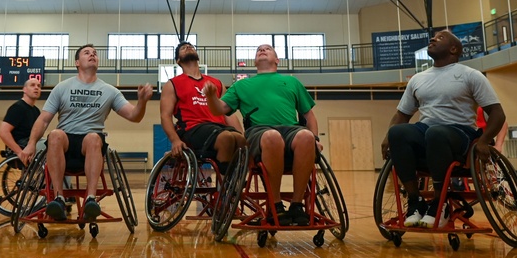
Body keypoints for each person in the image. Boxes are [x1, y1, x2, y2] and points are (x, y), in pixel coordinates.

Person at [381, 30, 504, 228]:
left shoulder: (470, 75)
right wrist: (388, 137)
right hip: (427, 132)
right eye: (433, 37)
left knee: (436, 133)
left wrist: (484, 140)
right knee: (398, 132)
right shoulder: (417, 79)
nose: (432, 39)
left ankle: (440, 202)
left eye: (440, 38)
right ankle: (415, 201)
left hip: (460, 134)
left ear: (454, 49)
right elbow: (402, 115)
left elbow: (497, 113)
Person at [22, 44, 153, 222]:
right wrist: (31, 144)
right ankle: (59, 199)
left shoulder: (109, 91)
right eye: (86, 53)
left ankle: (91, 200)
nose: (92, 55)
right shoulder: (62, 87)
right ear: (77, 62)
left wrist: (142, 102)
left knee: (93, 137)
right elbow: (43, 119)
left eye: (95, 53)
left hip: (90, 145)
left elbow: (134, 116)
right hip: (66, 143)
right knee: (55, 134)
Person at [203, 43, 321, 227]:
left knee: (307, 137)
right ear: (255, 61)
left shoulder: (292, 82)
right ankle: (276, 205)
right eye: (258, 50)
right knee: (272, 136)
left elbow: (309, 116)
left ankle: (297, 206)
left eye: (268, 49)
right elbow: (220, 109)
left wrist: (316, 139)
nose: (262, 50)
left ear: (277, 60)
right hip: (259, 131)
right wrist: (211, 97)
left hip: (291, 130)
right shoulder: (242, 85)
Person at [160, 41, 245, 169]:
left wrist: (240, 134)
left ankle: (228, 183)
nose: (188, 47)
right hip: (192, 128)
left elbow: (228, 113)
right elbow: (165, 116)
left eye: (191, 47)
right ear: (178, 60)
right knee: (226, 138)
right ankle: (225, 184)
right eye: (183, 48)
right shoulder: (172, 84)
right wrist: (175, 140)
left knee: (240, 140)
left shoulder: (216, 83)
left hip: (219, 127)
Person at [0, 76, 42, 157]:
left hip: (31, 143)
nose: (36, 88)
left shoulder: (36, 111)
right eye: (32, 85)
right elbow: (3, 132)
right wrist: (19, 152)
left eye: (39, 86)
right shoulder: (17, 108)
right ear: (24, 89)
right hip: (21, 144)